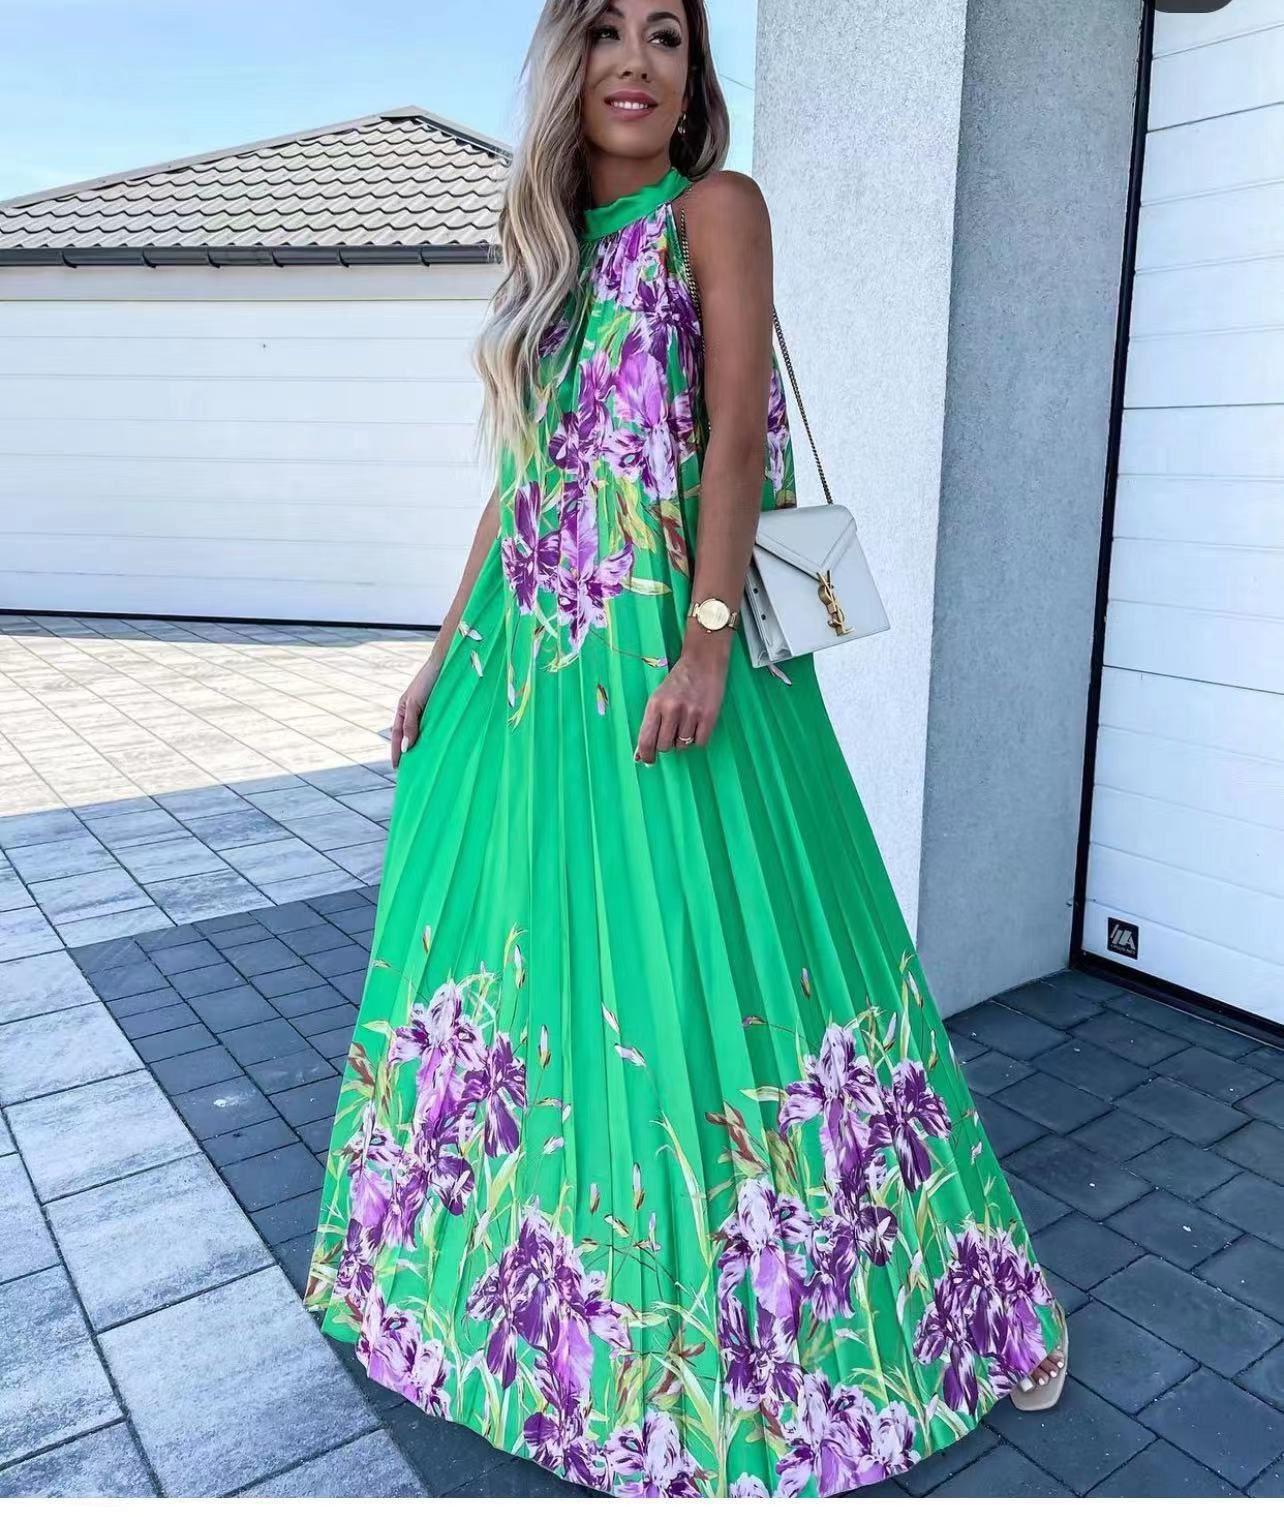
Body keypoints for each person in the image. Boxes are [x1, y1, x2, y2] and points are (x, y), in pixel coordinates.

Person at [304, 0, 1066, 1497]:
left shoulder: (717, 209)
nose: (637, 62)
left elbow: (733, 435)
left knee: (757, 956)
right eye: (608, 31)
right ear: (568, 66)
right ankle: (578, 1330)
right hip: (539, 683)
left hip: (670, 659)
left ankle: (928, 1299)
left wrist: (710, 632)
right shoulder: (553, 265)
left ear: (694, 74)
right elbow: (522, 483)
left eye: (667, 34)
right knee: (561, 969)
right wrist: (442, 652)